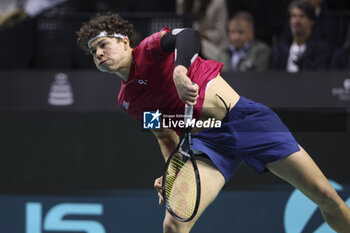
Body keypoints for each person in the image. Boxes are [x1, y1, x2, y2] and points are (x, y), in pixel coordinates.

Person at [77, 12, 350, 233]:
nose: (98, 53)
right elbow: (164, 135)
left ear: (125, 42)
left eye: (103, 44)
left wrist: (180, 71)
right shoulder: (127, 100)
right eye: (93, 51)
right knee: (173, 225)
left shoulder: (150, 49)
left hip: (246, 121)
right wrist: (172, 175)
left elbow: (187, 35)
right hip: (208, 143)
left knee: (326, 197)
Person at [271, 0, 333, 72]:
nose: (297, 21)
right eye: (293, 16)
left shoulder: (321, 49)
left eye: (301, 16)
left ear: (311, 21)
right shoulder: (281, 48)